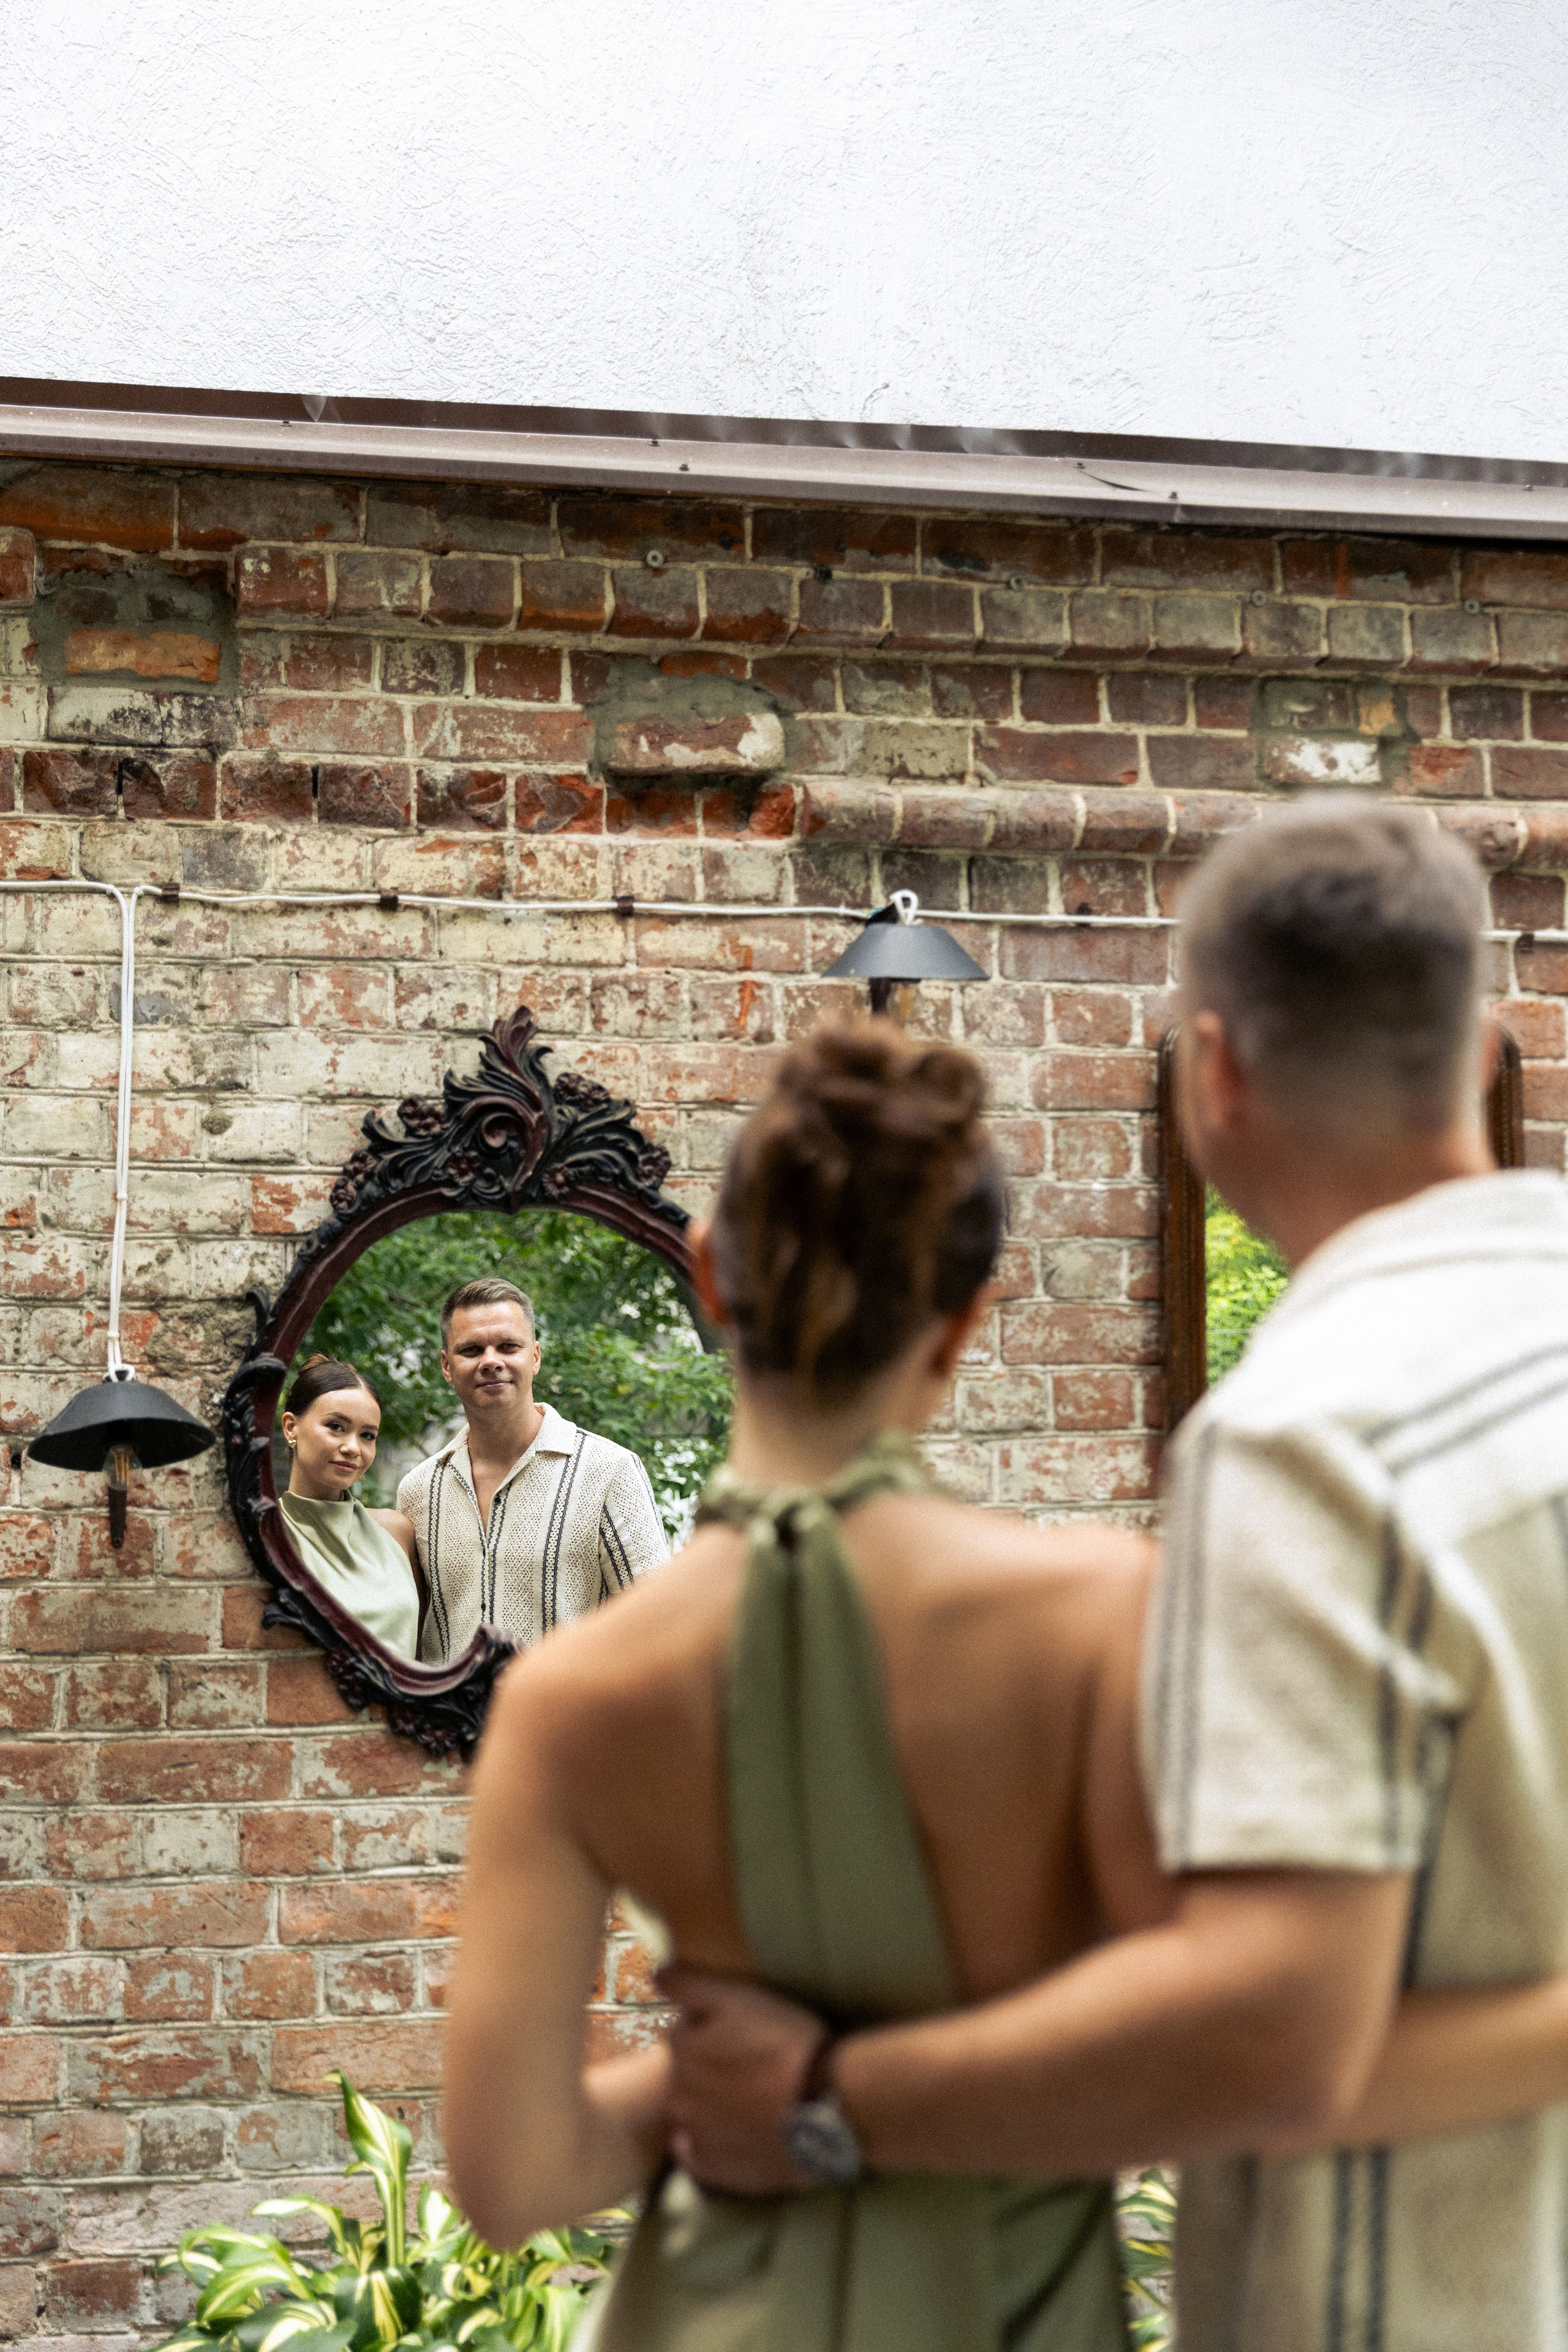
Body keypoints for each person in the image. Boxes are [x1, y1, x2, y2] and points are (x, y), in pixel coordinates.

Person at [444, 997, 1568, 2351]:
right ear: (967, 1315)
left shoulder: (575, 1697)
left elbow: (512, 2181)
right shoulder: (1095, 1613)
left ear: (707, 1274)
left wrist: (717, 2082)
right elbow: (1221, 2041)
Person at [397, 1277, 668, 1664]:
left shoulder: (609, 1470)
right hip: (447, 1725)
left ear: (535, 1357)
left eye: (508, 1346)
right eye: (472, 1350)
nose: (491, 1361)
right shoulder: (418, 1490)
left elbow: (654, 1623)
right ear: (446, 1365)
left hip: (571, 1722)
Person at [279, 1354, 422, 1659]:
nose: (353, 1448)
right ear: (291, 1427)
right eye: (336, 1426)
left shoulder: (396, 1532)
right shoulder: (269, 1532)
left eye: (367, 1435)